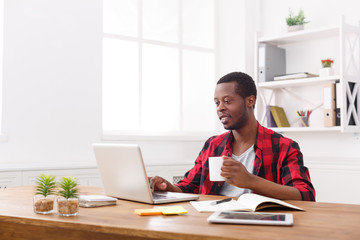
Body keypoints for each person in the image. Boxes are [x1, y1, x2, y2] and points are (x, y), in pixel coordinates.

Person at [150, 72, 315, 201]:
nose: (220, 108)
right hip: (211, 222)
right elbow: (188, 186)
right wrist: (167, 187)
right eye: (217, 103)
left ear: (250, 101)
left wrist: (250, 180)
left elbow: (305, 195)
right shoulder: (213, 145)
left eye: (227, 101)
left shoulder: (284, 146)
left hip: (260, 225)